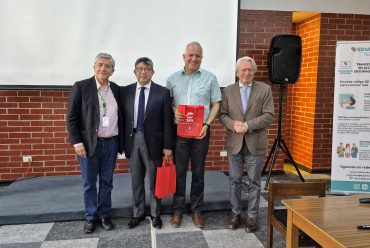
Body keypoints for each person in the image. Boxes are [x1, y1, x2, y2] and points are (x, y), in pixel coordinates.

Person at [166, 41, 221, 229]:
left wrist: (207, 124)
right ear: (184, 56)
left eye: (197, 56)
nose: (194, 59)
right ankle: (178, 211)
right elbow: (169, 103)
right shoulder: (172, 79)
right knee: (179, 172)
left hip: (201, 132)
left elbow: (216, 104)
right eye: (190, 55)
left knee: (198, 173)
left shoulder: (210, 78)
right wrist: (174, 111)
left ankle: (197, 211)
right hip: (180, 133)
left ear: (201, 58)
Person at [67, 53, 123, 234]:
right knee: (89, 183)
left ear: (113, 71)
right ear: (94, 67)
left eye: (107, 66)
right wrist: (77, 143)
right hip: (89, 145)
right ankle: (91, 217)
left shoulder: (116, 89)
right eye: (100, 65)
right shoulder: (81, 87)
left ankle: (105, 214)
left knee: (107, 182)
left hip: (111, 143)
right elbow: (72, 118)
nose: (103, 69)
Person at [219, 56, 274, 233]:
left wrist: (248, 125)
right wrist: (233, 125)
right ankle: (235, 214)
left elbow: (268, 115)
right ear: (237, 72)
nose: (246, 73)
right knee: (234, 180)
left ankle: (252, 217)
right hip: (235, 142)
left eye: (250, 69)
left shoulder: (264, 89)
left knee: (254, 182)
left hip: (255, 143)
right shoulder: (228, 91)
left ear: (254, 71)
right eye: (243, 70)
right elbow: (223, 115)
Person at [120, 57, 173, 229]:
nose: (143, 71)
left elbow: (167, 121)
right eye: (140, 68)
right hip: (132, 140)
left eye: (147, 69)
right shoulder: (125, 91)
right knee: (136, 180)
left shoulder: (162, 92)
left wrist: (167, 146)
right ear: (135, 72)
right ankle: (138, 213)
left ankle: (155, 214)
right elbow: (122, 119)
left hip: (154, 143)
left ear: (153, 72)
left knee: (154, 181)